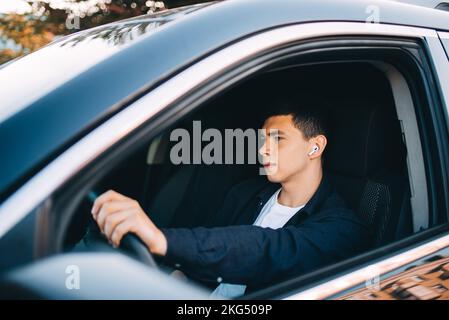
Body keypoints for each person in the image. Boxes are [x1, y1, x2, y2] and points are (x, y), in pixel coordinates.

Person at [89, 95, 371, 298]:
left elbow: (264, 250)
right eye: (262, 140)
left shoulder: (342, 227)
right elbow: (213, 247)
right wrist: (179, 279)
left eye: (278, 139)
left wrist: (161, 240)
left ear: (314, 147)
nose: (263, 149)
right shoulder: (244, 194)